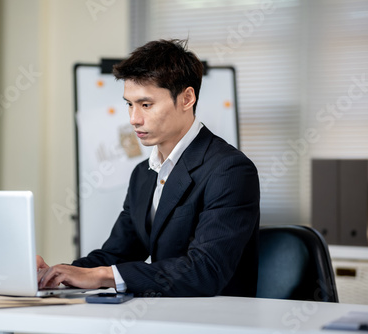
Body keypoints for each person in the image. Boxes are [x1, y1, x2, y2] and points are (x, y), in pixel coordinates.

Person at [37, 39, 260, 297]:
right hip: (161, 312)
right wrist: (56, 274)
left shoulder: (229, 171)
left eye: (146, 105)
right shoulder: (143, 173)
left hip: (215, 319)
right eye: (129, 104)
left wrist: (102, 276)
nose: (133, 119)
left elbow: (205, 270)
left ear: (187, 98)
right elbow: (117, 253)